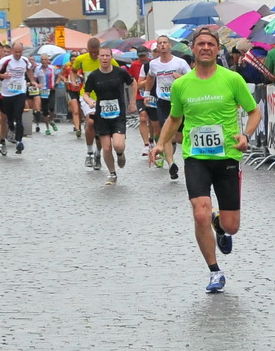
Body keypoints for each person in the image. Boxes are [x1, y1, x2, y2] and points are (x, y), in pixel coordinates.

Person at [154, 28, 260, 292]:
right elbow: (175, 119)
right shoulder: (181, 85)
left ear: (217, 49)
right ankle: (214, 272)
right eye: (200, 43)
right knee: (199, 212)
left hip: (227, 157)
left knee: (231, 226)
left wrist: (246, 135)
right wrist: (159, 143)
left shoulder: (232, 79)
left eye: (210, 44)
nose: (205, 47)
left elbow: (254, 111)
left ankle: (220, 227)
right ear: (193, 49)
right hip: (196, 157)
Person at [142, 34, 191, 179]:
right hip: (163, 102)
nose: (162, 45)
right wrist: (146, 93)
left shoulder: (180, 63)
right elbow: (150, 76)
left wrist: (181, 78)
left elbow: (192, 79)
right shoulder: (154, 64)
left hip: (180, 102)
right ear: (157, 47)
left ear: (170, 45)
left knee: (179, 136)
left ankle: (176, 146)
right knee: (166, 132)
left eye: (165, 43)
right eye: (160, 43)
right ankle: (171, 164)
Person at [83, 47, 134, 184]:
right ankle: (112, 174)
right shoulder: (94, 76)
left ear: (111, 57)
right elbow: (85, 94)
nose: (104, 58)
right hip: (102, 116)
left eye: (107, 55)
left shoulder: (120, 72)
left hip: (118, 115)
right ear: (98, 58)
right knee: (106, 148)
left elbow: (133, 83)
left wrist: (133, 102)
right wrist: (89, 101)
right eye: (102, 56)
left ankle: (120, 154)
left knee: (118, 145)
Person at [0, 40, 32, 154]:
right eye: (16, 52)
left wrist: (33, 81)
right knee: (9, 118)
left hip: (20, 92)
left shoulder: (25, 60)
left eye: (20, 52)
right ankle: (11, 128)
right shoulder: (6, 60)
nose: (18, 54)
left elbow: (29, 70)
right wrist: (3, 75)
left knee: (19, 116)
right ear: (12, 51)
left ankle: (19, 141)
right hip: (7, 93)